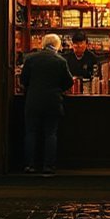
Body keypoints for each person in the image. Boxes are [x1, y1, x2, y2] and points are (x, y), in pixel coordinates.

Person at [20, 33, 74, 174]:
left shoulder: (30, 59)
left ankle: (29, 165)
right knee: (50, 134)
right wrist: (58, 89)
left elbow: (23, 80)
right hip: (53, 101)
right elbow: (69, 82)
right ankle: (48, 166)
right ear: (57, 45)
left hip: (33, 100)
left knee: (31, 133)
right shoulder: (60, 61)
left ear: (43, 44)